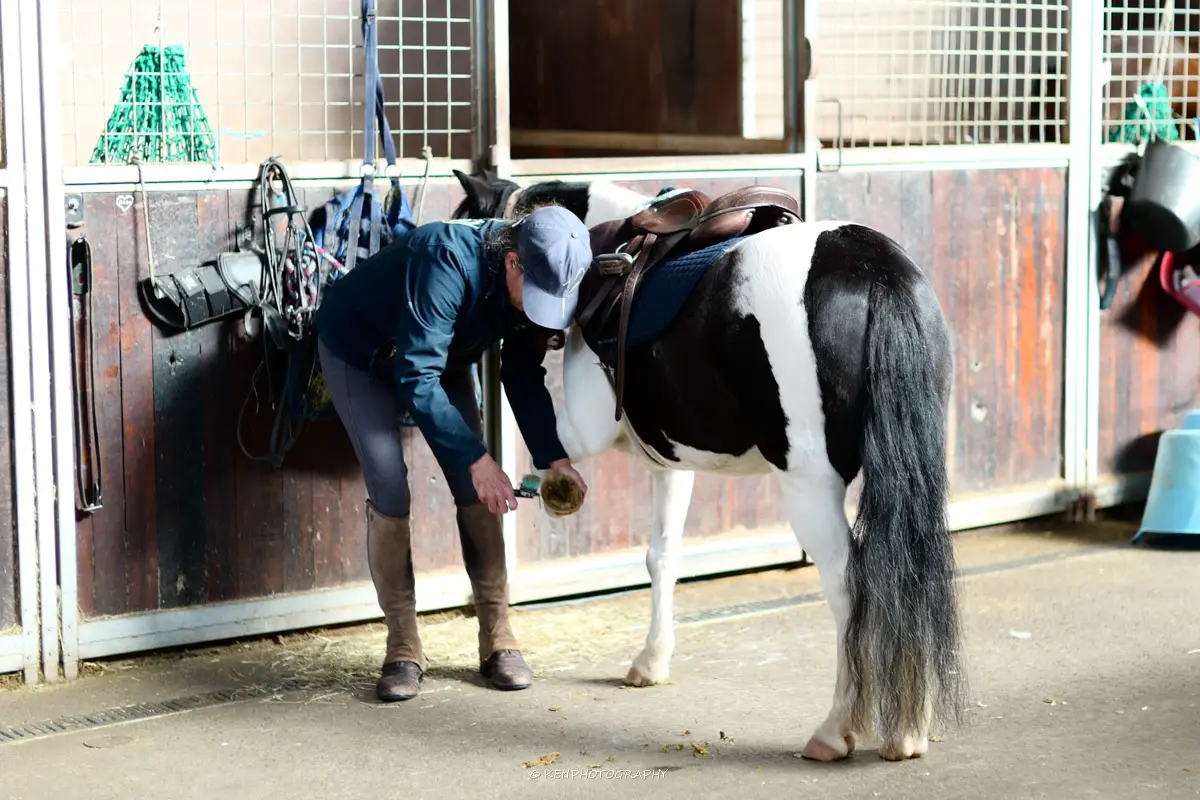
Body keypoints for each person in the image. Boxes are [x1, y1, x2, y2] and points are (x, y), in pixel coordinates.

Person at [314, 204, 591, 701]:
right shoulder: (445, 256)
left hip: (440, 357)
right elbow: (416, 377)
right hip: (363, 350)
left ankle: (498, 636)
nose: (538, 312)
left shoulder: (542, 279)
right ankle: (403, 644)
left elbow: (524, 373)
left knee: (474, 485)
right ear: (513, 262)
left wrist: (554, 458)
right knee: (389, 482)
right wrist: (476, 458)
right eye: (534, 298)